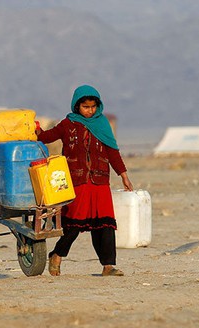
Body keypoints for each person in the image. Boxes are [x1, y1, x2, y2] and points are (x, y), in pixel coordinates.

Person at [36, 84, 133, 277]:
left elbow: (112, 151)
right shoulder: (68, 124)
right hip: (77, 181)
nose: (90, 111)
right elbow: (47, 137)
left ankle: (108, 265)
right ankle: (56, 254)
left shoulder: (102, 124)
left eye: (93, 106)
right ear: (77, 106)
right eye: (85, 107)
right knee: (73, 224)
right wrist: (35, 131)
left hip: (100, 182)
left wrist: (123, 174)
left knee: (105, 225)